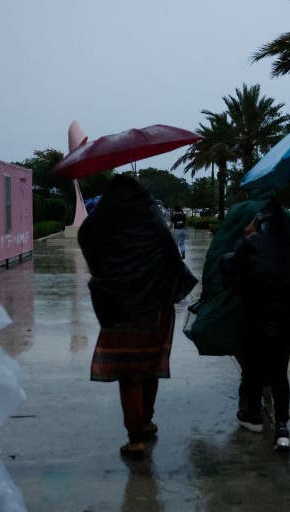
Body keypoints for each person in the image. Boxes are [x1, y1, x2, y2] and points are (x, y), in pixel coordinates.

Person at [79, 175, 197, 459]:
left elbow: (87, 243)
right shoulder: (152, 222)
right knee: (149, 366)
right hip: (154, 308)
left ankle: (135, 438)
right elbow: (172, 258)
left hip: (118, 309)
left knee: (127, 374)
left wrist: (106, 275)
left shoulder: (98, 224)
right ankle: (145, 421)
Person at [221, 199, 290, 451]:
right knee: (280, 375)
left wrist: (246, 237)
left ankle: (253, 417)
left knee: (253, 371)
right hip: (284, 323)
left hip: (255, 320)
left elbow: (229, 272)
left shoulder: (251, 244)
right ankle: (282, 428)